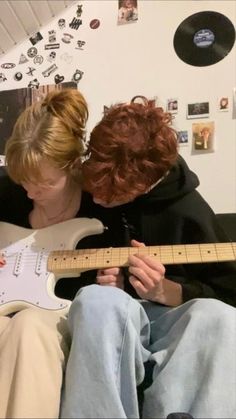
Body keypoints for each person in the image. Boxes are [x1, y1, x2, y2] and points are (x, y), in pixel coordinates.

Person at [60, 98, 236, 419]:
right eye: (95, 183)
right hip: (111, 316)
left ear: (144, 183)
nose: (97, 196)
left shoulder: (190, 210)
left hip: (171, 320)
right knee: (98, 301)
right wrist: (106, 284)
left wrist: (166, 291)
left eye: (113, 192)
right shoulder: (86, 188)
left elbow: (229, 290)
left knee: (220, 318)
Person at [0, 88, 112, 418]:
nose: (31, 192)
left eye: (44, 183)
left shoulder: (101, 205)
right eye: (24, 182)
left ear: (73, 165)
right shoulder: (8, 194)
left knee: (30, 327)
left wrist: (117, 282)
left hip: (60, 316)